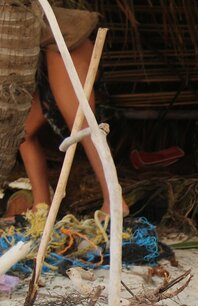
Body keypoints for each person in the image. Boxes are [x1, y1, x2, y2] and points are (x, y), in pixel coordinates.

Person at [12, 7, 128, 217]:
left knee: (83, 124)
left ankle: (115, 201)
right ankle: (41, 206)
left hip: (66, 45)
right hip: (48, 53)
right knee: (23, 133)